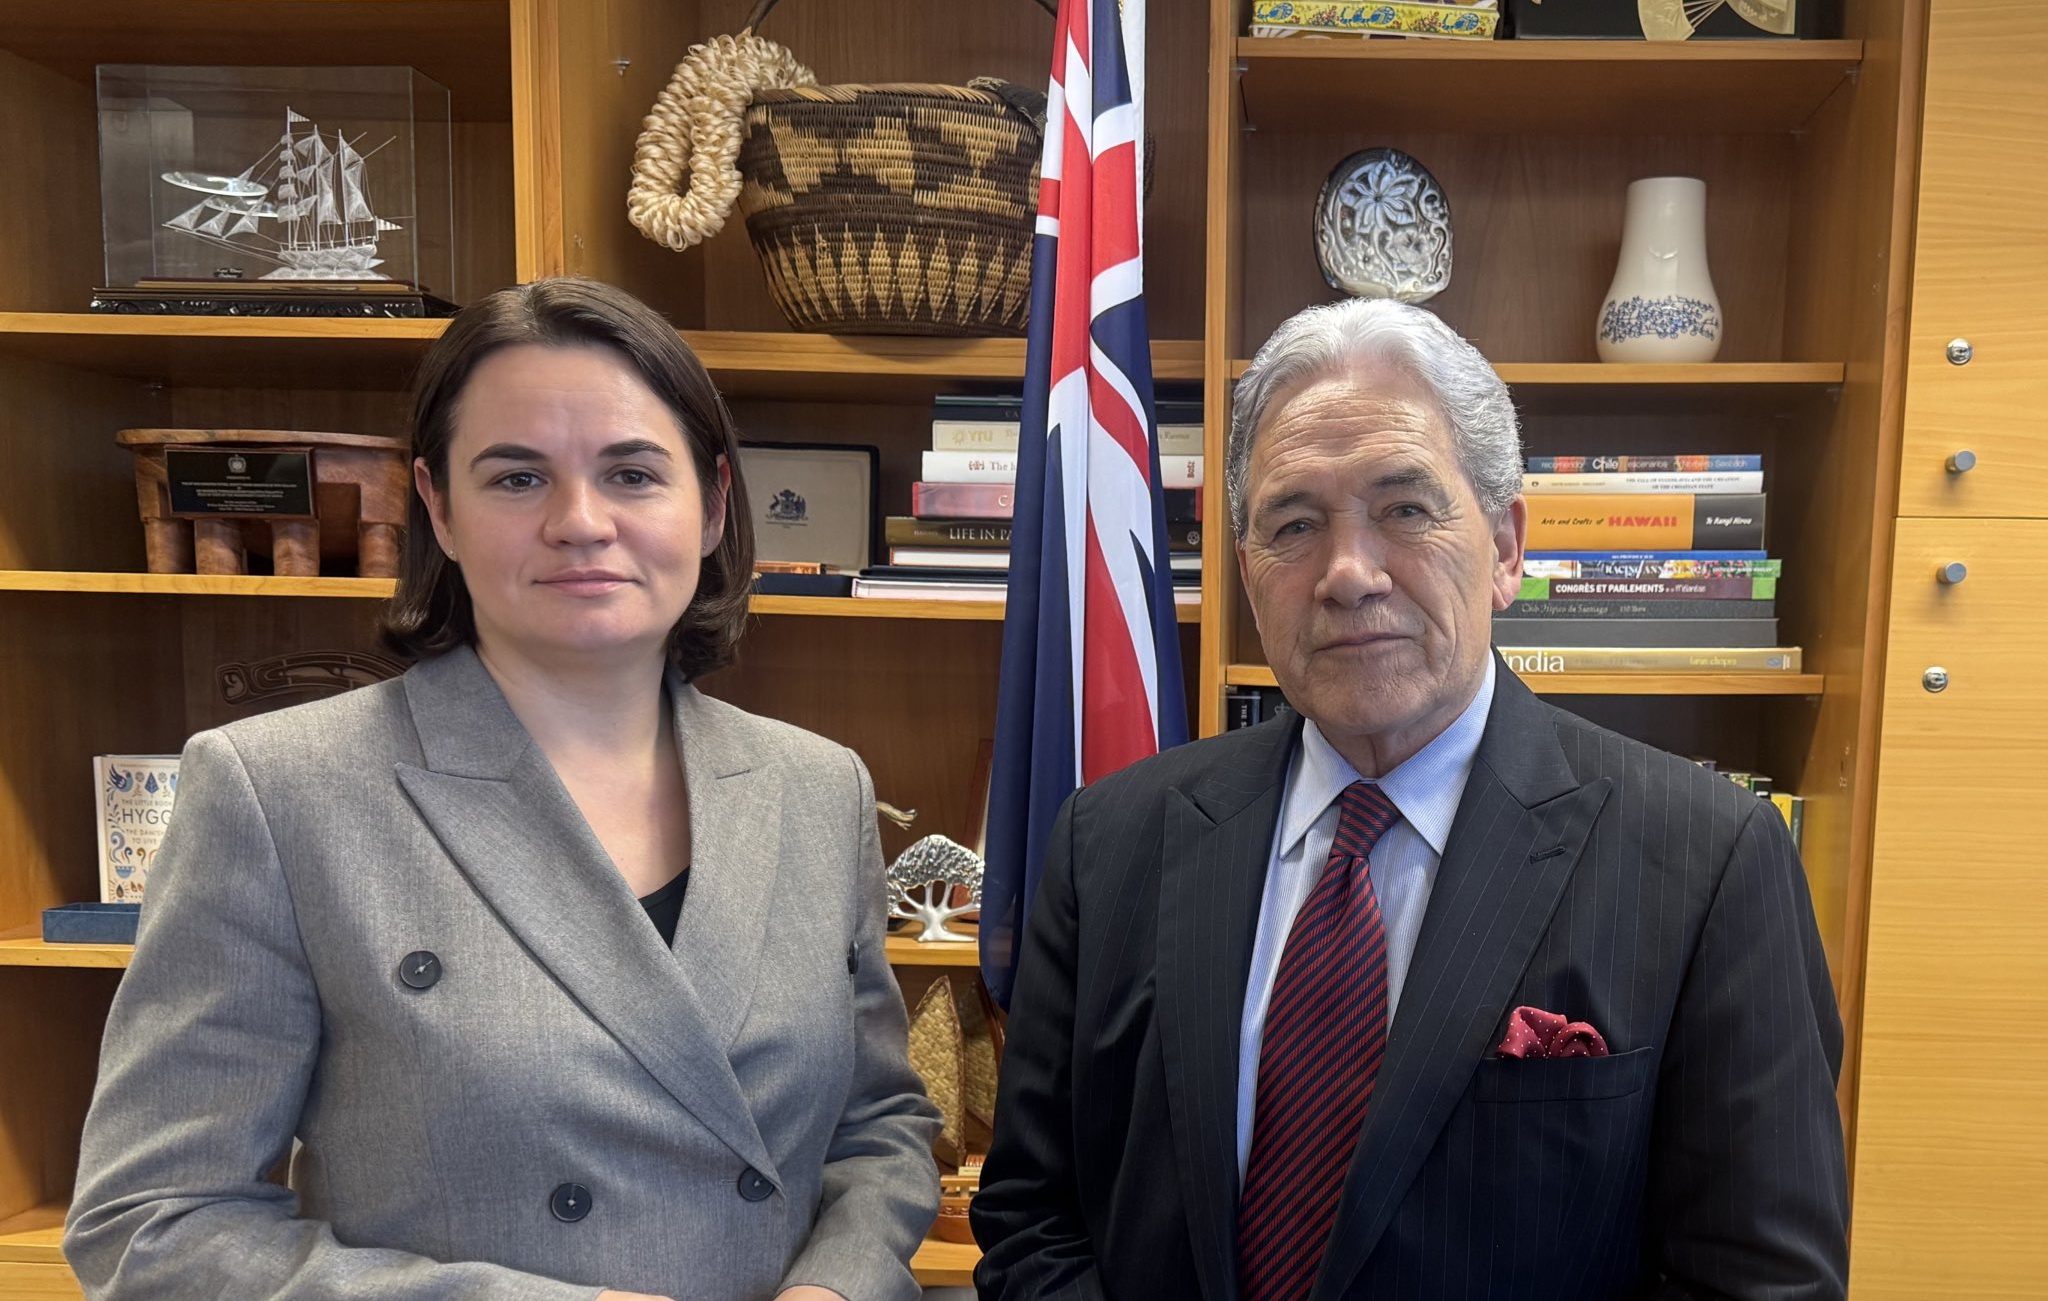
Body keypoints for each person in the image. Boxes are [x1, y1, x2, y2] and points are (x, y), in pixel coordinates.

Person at [65, 277, 940, 1301]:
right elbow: (152, 1226)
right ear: (438, 506)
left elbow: (877, 1128)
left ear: (710, 503)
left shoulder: (819, 787)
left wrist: (836, 1285)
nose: (580, 521)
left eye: (631, 473)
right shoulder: (278, 792)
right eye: (518, 477)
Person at [972, 297, 1849, 1301]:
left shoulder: (1711, 861)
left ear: (1506, 546)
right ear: (1248, 574)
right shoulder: (1109, 841)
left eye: (1404, 509)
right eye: (1294, 524)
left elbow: (1760, 1283)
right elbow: (1032, 1219)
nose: (1348, 574)